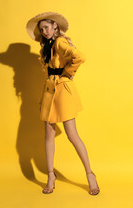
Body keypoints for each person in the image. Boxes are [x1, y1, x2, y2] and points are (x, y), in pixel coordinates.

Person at [26, 12, 100, 195]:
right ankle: (51, 176)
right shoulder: (46, 46)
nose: (44, 31)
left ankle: (90, 175)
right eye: (41, 29)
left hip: (62, 90)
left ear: (55, 27)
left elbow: (79, 57)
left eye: (47, 27)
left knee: (72, 134)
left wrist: (67, 72)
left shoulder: (59, 42)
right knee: (48, 133)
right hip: (49, 89)